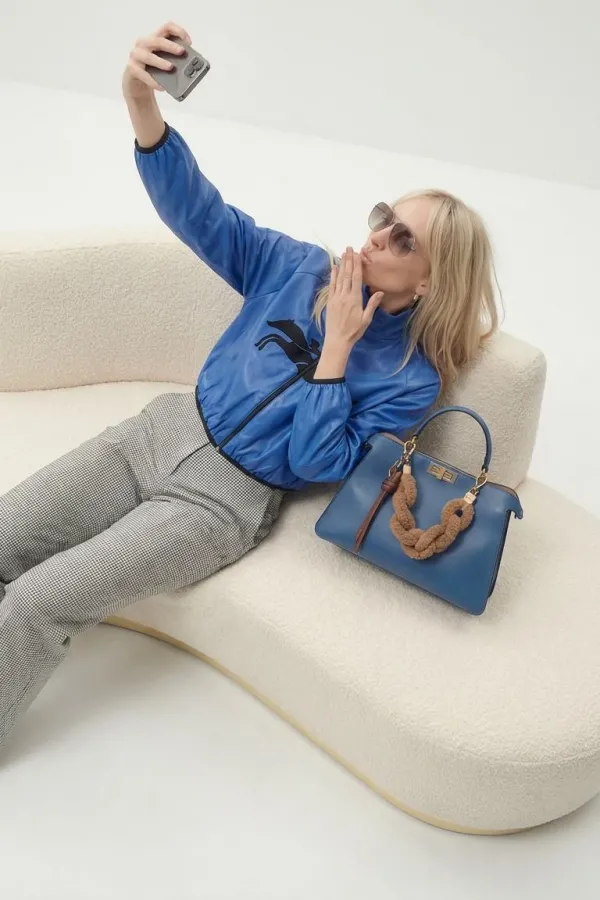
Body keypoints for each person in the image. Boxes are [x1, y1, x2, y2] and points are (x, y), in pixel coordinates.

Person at [0, 21, 499, 750]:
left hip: (221, 504)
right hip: (155, 434)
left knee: (37, 602)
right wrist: (140, 102)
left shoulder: (410, 381)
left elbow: (316, 462)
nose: (377, 237)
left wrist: (337, 350)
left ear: (429, 280)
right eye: (384, 218)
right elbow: (202, 216)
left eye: (403, 240)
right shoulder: (297, 267)